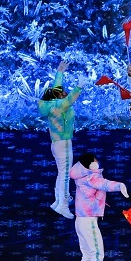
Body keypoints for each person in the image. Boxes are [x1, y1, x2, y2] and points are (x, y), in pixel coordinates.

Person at [69, 153, 128, 261]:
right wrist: (120, 185)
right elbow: (104, 184)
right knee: (97, 255)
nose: (98, 162)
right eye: (95, 161)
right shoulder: (91, 177)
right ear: (90, 164)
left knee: (87, 255)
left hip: (80, 220)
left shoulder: (82, 177)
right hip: (88, 221)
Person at [39, 61, 83, 218]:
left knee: (61, 173)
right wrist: (79, 87)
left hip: (57, 143)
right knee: (65, 175)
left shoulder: (51, 104)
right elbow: (70, 99)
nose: (63, 91)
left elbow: (56, 88)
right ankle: (63, 205)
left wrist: (60, 72)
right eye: (61, 92)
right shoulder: (60, 106)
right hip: (63, 144)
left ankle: (58, 201)